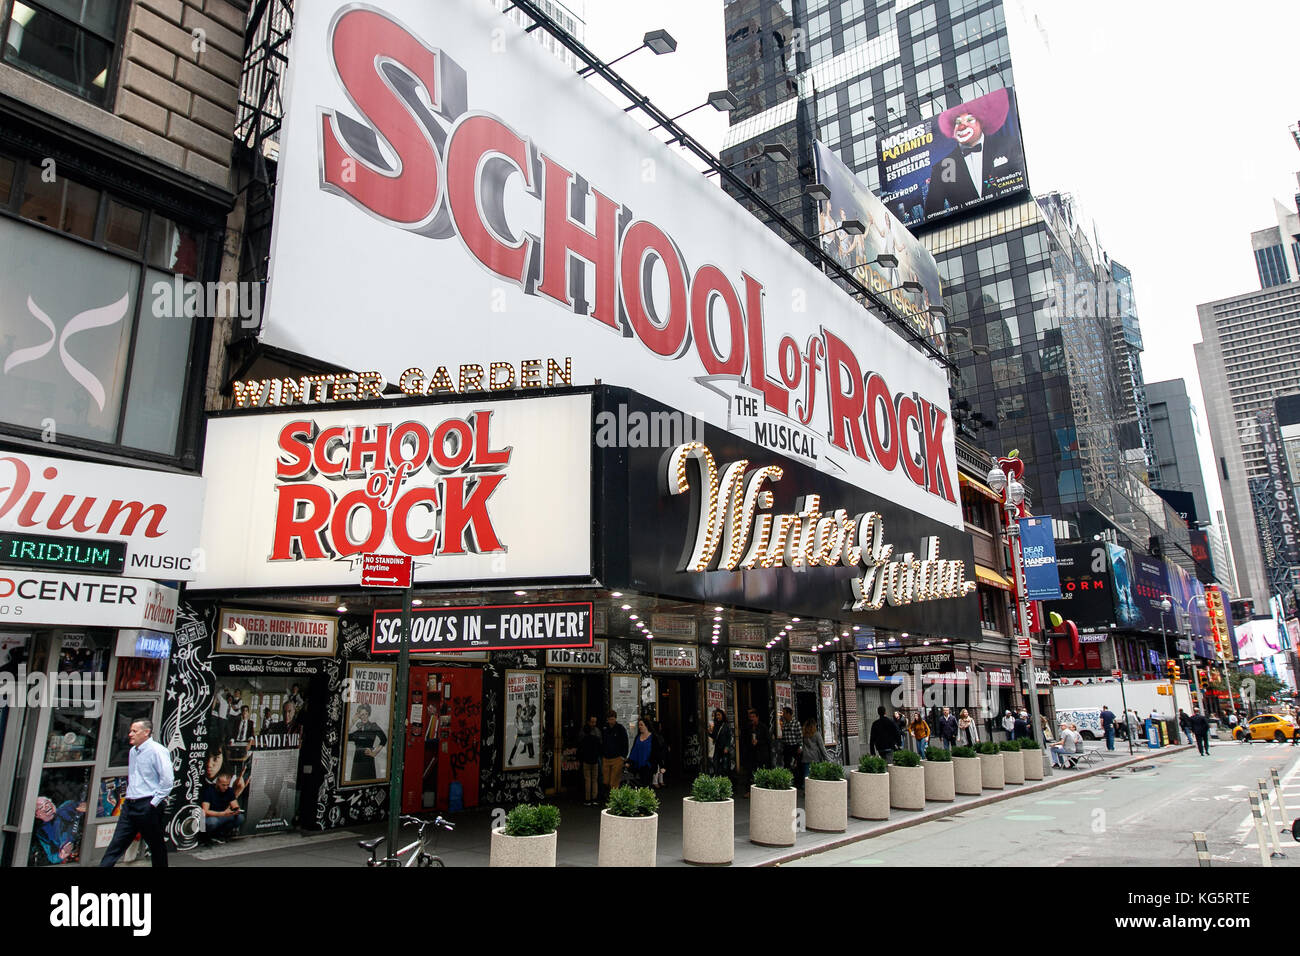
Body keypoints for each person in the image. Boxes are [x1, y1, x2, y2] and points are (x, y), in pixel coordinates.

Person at [922, 89, 1026, 218]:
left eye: (970, 119)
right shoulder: (943, 167)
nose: (962, 126)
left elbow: (1019, 176)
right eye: (958, 122)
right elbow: (932, 213)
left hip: (1012, 215)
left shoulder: (1006, 146)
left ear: (982, 122)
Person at [100, 718, 173, 867]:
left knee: (156, 846)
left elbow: (167, 780)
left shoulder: (157, 751)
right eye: (130, 731)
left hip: (148, 803)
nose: (130, 734)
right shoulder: (133, 751)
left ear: (146, 732)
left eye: (134, 731)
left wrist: (153, 803)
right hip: (130, 804)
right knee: (116, 844)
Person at [32, 796, 87, 865]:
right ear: (37, 815)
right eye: (41, 807)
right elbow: (52, 857)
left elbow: (90, 807)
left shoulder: (68, 805)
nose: (47, 806)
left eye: (47, 802)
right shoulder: (41, 832)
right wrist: (62, 854)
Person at [200, 770, 246, 844]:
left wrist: (236, 810)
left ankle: (220, 834)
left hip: (223, 816)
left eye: (227, 784)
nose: (226, 787)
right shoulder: (209, 790)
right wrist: (222, 813)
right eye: (223, 785)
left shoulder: (229, 790)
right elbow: (205, 812)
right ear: (217, 783)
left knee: (240, 817)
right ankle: (206, 837)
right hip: (210, 817)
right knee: (212, 822)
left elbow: (235, 805)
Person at [346, 703, 388, 781]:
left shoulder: (373, 726)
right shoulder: (358, 730)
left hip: (368, 762)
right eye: (362, 715)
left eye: (366, 714)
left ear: (369, 714)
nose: (364, 716)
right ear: (359, 716)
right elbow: (345, 737)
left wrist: (375, 752)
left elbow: (384, 739)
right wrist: (352, 722)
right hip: (357, 764)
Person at [739, 709, 771, 797]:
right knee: (749, 772)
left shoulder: (763, 727)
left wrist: (759, 742)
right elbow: (743, 739)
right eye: (750, 717)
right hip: (751, 753)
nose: (752, 719)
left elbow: (768, 740)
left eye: (753, 717)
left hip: (761, 753)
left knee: (761, 771)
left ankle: (762, 789)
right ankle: (748, 791)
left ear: (757, 717)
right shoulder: (748, 727)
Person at [601, 710, 629, 797]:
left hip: (617, 758)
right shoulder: (604, 728)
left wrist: (623, 756)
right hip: (606, 758)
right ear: (607, 719)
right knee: (606, 781)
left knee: (614, 781)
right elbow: (602, 742)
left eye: (612, 719)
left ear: (615, 719)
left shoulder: (620, 728)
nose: (611, 721)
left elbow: (625, 742)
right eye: (609, 719)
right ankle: (611, 795)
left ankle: (614, 799)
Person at [626, 717, 658, 788]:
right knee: (638, 786)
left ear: (646, 725)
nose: (639, 727)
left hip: (648, 766)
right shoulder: (638, 737)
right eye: (639, 725)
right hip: (638, 766)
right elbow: (634, 750)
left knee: (646, 786)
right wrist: (629, 762)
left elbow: (657, 752)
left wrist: (659, 765)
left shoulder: (653, 737)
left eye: (641, 725)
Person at [578, 715, 602, 806]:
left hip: (586, 759)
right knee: (594, 780)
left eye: (595, 722)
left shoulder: (584, 737)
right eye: (592, 722)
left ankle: (587, 799)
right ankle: (594, 798)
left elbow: (581, 747)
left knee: (587, 779)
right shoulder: (597, 735)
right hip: (595, 759)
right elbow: (600, 746)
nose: (594, 724)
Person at [709, 708, 733, 779]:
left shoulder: (726, 725)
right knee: (716, 764)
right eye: (716, 715)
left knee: (725, 767)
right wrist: (710, 732)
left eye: (719, 715)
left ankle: (726, 781)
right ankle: (718, 780)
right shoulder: (716, 725)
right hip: (717, 748)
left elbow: (729, 737)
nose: (717, 717)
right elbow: (714, 737)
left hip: (724, 749)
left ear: (723, 715)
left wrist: (727, 747)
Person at [780, 706, 803, 775]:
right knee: (786, 764)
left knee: (797, 765)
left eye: (784, 713)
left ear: (788, 714)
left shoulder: (796, 723)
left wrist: (800, 747)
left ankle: (798, 781)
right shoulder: (784, 724)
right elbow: (784, 736)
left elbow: (800, 736)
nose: (783, 715)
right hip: (787, 747)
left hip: (795, 746)